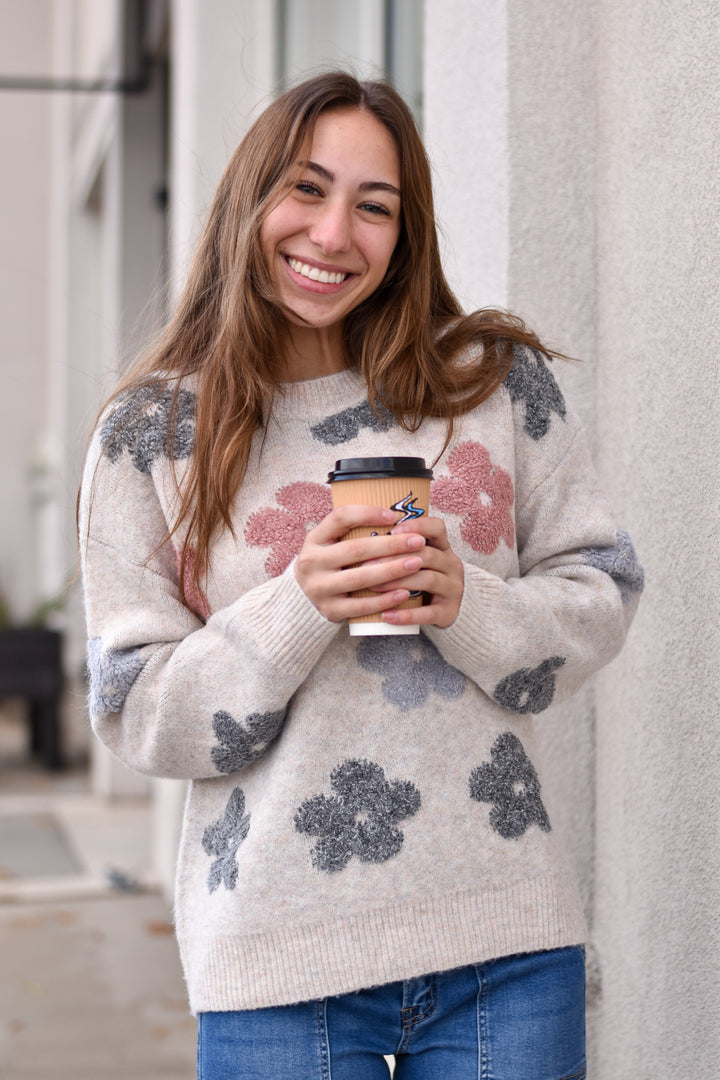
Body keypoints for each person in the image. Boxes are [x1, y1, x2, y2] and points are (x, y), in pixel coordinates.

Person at [79, 71, 643, 1080]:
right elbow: (137, 711)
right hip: (273, 960)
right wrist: (298, 607)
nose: (334, 234)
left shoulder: (492, 387)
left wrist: (465, 602)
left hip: (502, 943)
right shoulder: (153, 436)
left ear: (407, 232)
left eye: (374, 207)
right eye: (306, 188)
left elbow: (602, 592)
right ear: (250, 200)